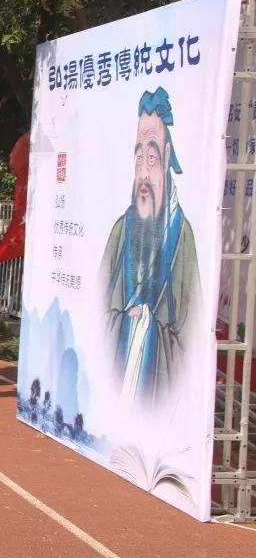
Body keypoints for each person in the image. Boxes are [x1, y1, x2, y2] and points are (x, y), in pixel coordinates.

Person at [99, 87, 198, 411]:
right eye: (138, 157)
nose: (143, 171)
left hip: (158, 405)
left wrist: (148, 327)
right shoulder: (120, 231)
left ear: (168, 158)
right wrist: (125, 321)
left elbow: (191, 338)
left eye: (152, 158)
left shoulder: (182, 238)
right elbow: (96, 315)